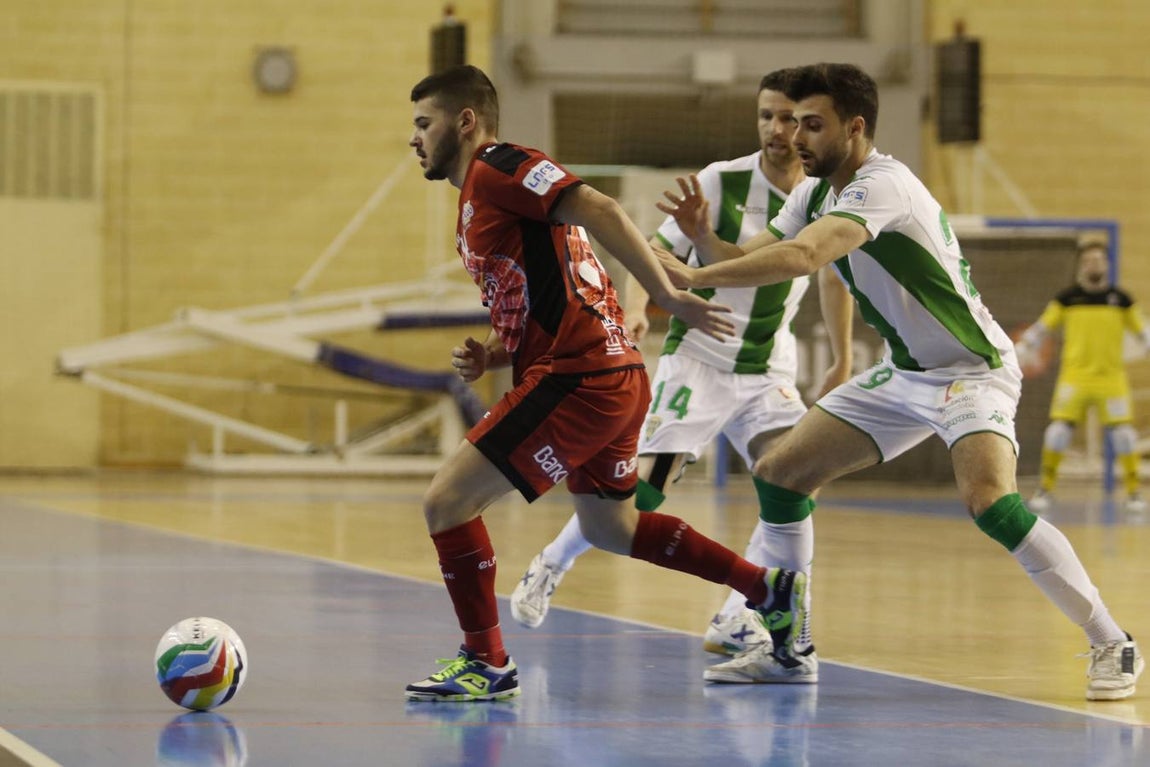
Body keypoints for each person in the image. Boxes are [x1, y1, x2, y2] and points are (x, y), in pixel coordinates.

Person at [655, 62, 1143, 700]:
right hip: (905, 373)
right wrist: (702, 243)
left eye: (813, 125)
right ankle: (788, 650)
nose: (796, 138)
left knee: (991, 502)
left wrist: (690, 277)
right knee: (779, 474)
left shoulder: (885, 185)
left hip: (973, 372)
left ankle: (1112, 640)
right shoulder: (811, 192)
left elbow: (804, 257)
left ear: (855, 128)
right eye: (792, 123)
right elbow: (758, 259)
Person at [404, 64, 810, 702]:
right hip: (606, 374)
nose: (415, 139)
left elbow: (601, 208)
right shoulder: (476, 202)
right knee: (610, 529)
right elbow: (541, 298)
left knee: (446, 502)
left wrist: (666, 293)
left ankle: (485, 660)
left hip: (581, 377)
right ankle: (769, 591)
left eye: (423, 124)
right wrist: (492, 355)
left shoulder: (499, 165)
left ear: (466, 121)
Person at [509, 69, 854, 662]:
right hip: (699, 359)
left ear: (809, 125)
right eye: (766, 116)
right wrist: (639, 306)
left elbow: (836, 275)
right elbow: (653, 249)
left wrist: (844, 354)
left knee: (794, 481)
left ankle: (739, 616)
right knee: (643, 491)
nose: (777, 128)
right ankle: (551, 563)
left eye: (789, 118)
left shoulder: (823, 196)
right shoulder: (724, 182)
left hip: (768, 368)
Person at [1016, 240, 1150, 515]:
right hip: (1074, 379)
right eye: (1089, 260)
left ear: (1107, 264)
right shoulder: (1067, 299)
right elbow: (1044, 326)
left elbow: (1143, 330)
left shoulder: (1121, 300)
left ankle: (1134, 493)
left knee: (1124, 436)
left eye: (1099, 260)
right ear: (1081, 266)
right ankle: (1046, 488)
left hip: (1111, 380)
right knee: (1057, 433)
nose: (1094, 265)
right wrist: (1023, 346)